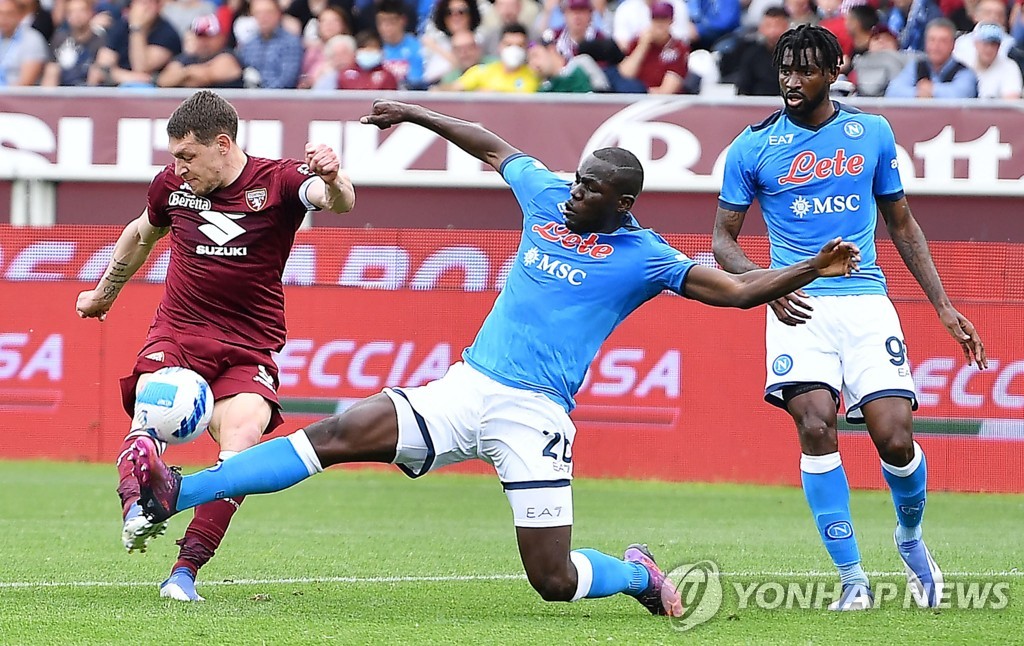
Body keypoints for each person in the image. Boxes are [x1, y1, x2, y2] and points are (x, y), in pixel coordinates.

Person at [130, 99, 860, 616]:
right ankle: (174, 493)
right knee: (340, 432)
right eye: (575, 181)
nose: (572, 194)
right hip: (468, 384)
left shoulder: (645, 256)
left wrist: (809, 269)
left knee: (553, 579)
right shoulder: (545, 195)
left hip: (536, 416)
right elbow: (486, 141)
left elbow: (735, 290)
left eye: (590, 191)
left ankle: (634, 577)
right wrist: (411, 111)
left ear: (623, 203)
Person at [711, 25, 987, 612]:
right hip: (798, 304)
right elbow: (722, 239)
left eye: (805, 69)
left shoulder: (872, 132)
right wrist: (765, 287)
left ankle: (910, 538)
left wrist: (943, 305)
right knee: (815, 424)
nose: (791, 80)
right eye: (785, 69)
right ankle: (853, 580)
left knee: (894, 437)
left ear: (834, 72)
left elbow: (902, 223)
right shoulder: (751, 146)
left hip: (864, 303)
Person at [75, 90, 355, 602]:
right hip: (178, 335)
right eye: (174, 156)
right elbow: (141, 234)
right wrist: (102, 294)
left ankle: (184, 571)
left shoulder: (278, 182)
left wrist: (335, 179)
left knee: (242, 444)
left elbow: (336, 201)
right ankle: (137, 507)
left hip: (248, 347)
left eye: (187, 156)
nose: (178, 168)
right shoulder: (173, 189)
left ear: (222, 145)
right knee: (152, 416)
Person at [885, 17, 978, 99]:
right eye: (932, 40)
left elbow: (961, 95)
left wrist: (932, 90)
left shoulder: (964, 72)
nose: (936, 46)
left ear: (953, 44)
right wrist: (918, 93)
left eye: (943, 41)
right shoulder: (916, 66)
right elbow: (892, 91)